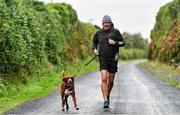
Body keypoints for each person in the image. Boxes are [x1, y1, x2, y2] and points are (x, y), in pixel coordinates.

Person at [92, 15, 125, 109]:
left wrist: (115, 43)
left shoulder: (115, 32)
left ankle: (107, 95)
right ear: (102, 24)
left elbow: (123, 43)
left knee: (110, 81)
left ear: (110, 23)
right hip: (103, 59)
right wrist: (94, 49)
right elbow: (94, 42)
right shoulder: (98, 33)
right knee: (103, 78)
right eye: (104, 23)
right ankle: (105, 100)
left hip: (113, 59)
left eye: (107, 23)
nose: (106, 24)